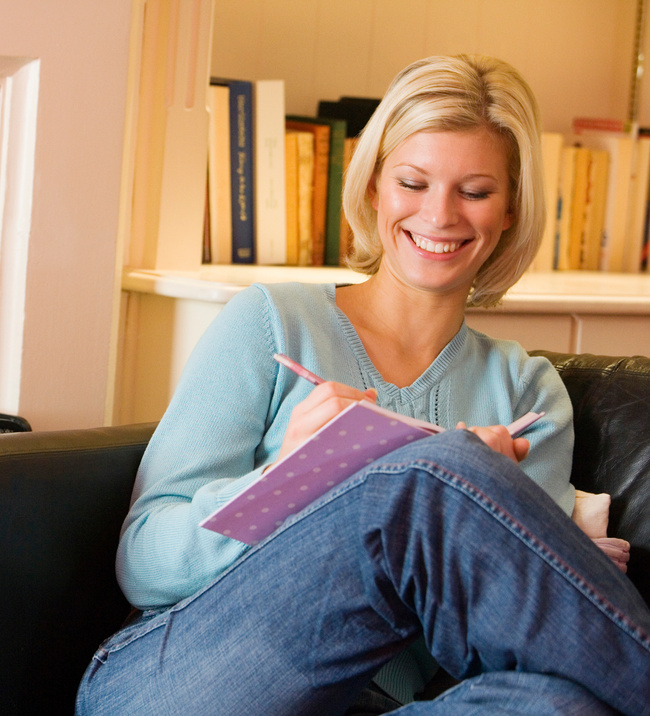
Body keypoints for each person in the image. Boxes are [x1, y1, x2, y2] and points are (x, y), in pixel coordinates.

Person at [75, 55, 649, 715]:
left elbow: (509, 646)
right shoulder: (269, 322)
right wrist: (290, 477)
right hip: (181, 678)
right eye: (413, 182)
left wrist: (472, 526)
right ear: (375, 186)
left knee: (561, 706)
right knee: (430, 475)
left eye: (476, 191)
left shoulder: (528, 392)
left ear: (512, 209)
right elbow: (144, 563)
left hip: (379, 703)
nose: (440, 216)